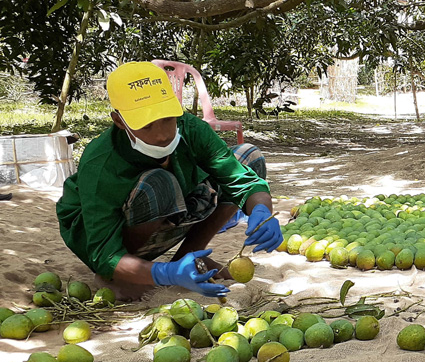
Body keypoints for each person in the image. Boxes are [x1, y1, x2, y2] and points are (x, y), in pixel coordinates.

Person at [56, 62, 283, 299]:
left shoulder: (190, 130)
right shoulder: (101, 163)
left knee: (249, 158)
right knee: (158, 184)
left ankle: (191, 256)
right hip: (101, 234)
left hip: (173, 202)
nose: (162, 134)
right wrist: (165, 274)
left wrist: (261, 211)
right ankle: (127, 271)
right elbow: (102, 252)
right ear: (120, 121)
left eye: (167, 118)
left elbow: (243, 181)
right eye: (146, 124)